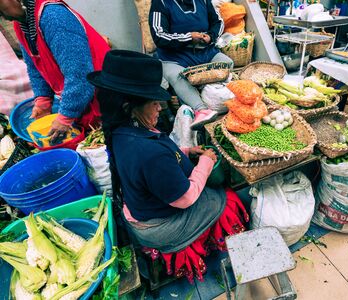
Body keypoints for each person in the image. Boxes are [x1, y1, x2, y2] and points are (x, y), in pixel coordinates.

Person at [88, 50, 248, 282]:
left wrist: (185, 152)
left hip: (142, 209)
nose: (160, 108)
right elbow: (186, 198)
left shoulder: (121, 131)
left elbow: (151, 166)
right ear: (129, 107)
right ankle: (217, 250)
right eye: (154, 103)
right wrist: (205, 161)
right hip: (160, 226)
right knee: (226, 199)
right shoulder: (148, 152)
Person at [0, 0, 110, 143]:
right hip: (85, 99)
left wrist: (65, 116)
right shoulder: (22, 24)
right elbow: (34, 67)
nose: (2, 17)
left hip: (105, 97)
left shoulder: (53, 17)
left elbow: (80, 75)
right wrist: (43, 99)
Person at [149, 0, 233, 129]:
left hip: (205, 53)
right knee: (177, 76)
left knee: (227, 63)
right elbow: (159, 36)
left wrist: (211, 36)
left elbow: (218, 22)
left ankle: (207, 94)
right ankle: (202, 110)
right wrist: (188, 37)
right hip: (174, 57)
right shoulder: (161, 3)